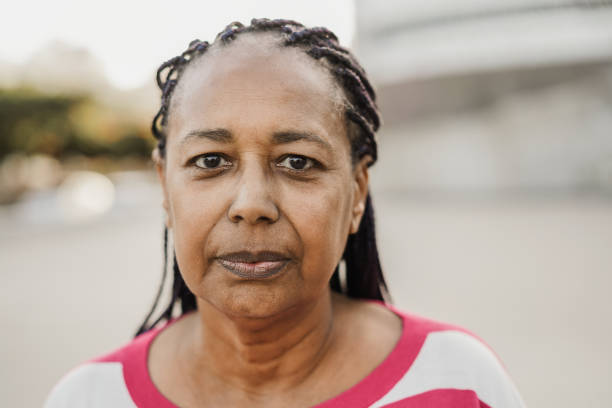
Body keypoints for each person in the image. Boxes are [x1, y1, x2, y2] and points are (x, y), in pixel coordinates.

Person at [44, 18, 525, 408]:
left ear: (357, 192)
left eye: (298, 162)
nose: (252, 204)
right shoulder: (86, 399)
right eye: (210, 161)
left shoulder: (460, 386)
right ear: (165, 189)